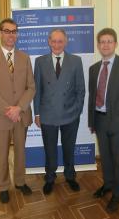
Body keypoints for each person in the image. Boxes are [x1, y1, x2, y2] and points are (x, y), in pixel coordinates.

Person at [0, 18, 36, 203]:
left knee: (21, 151)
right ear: (0, 33)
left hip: (21, 115)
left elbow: (31, 87)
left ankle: (20, 182)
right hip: (2, 116)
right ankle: (3, 186)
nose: (10, 35)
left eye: (14, 31)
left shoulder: (24, 57)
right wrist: (9, 109)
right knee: (2, 154)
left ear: (17, 34)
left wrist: (19, 108)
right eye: (7, 31)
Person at [88, 28, 119, 212]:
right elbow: (92, 96)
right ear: (98, 45)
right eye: (102, 42)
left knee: (117, 159)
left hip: (118, 121)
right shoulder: (94, 69)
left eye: (109, 41)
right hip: (100, 120)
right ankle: (108, 184)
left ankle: (118, 193)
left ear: (115, 44)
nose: (106, 45)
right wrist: (92, 121)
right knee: (105, 157)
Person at [34, 28, 85, 195]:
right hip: (48, 115)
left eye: (60, 41)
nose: (56, 44)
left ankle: (70, 176)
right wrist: (37, 113)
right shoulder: (40, 62)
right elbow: (37, 90)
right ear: (49, 41)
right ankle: (50, 178)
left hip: (70, 115)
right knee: (50, 149)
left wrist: (77, 111)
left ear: (66, 42)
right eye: (54, 41)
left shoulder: (76, 61)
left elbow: (80, 89)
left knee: (69, 148)